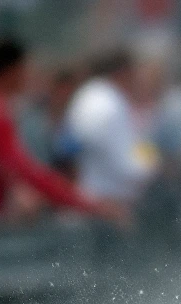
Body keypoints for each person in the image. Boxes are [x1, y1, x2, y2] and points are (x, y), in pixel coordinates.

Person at [0, 39, 116, 218]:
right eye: (25, 70)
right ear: (12, 71)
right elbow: (25, 169)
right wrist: (87, 204)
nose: (28, 77)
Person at [63, 49, 155, 205]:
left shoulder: (88, 93)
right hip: (107, 201)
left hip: (87, 193)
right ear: (123, 72)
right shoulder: (110, 103)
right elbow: (128, 166)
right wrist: (152, 157)